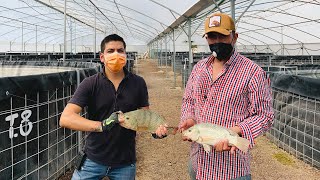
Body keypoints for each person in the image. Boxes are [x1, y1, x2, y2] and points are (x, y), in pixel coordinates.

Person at [178, 13, 274, 180]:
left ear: (234, 37)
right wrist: (189, 118)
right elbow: (189, 100)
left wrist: (235, 132)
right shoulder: (199, 68)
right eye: (211, 37)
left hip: (230, 169)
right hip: (198, 164)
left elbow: (265, 116)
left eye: (222, 36)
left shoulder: (253, 72)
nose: (216, 41)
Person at [59, 34, 167, 180]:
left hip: (125, 162)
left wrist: (155, 131)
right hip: (93, 159)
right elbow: (66, 118)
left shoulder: (138, 83)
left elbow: (144, 116)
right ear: (102, 57)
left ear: (125, 55)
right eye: (110, 51)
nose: (116, 54)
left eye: (120, 50)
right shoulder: (90, 83)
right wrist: (102, 125)